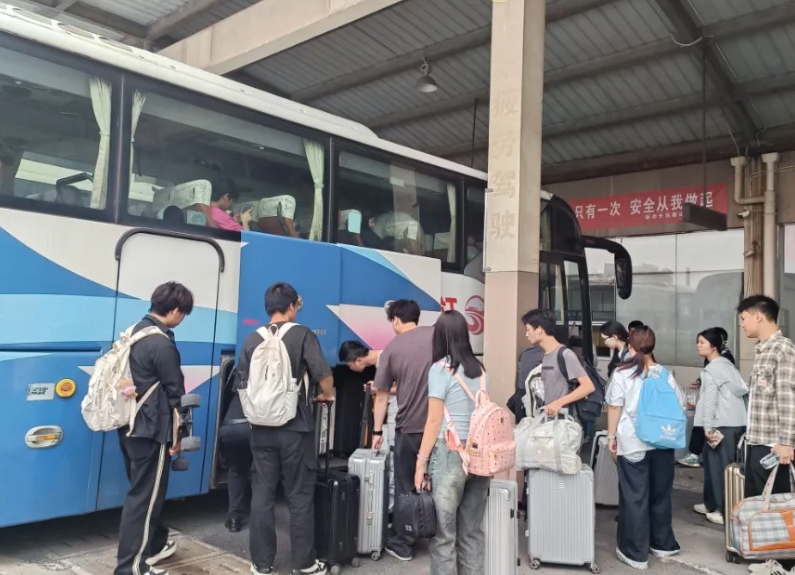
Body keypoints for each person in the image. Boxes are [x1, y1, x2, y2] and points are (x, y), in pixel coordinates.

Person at [240, 282, 334, 575]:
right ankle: (304, 563)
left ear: (268, 308)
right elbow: (323, 374)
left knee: (262, 495)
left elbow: (242, 383)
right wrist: (326, 395)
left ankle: (261, 563)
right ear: (292, 307)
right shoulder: (302, 334)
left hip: (260, 428)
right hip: (296, 428)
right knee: (299, 496)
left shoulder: (252, 339)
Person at [115, 282, 195, 575]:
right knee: (144, 500)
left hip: (128, 424)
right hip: (151, 430)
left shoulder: (133, 332)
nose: (182, 318)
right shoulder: (161, 343)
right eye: (183, 313)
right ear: (174, 310)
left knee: (142, 493)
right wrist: (179, 436)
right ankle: (131, 568)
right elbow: (176, 393)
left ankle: (157, 544)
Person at [414, 310, 490, 575]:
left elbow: (434, 421)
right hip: (480, 455)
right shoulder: (480, 370)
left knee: (444, 535)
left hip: (450, 454)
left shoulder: (440, 369)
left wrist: (421, 463)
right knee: (471, 532)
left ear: (440, 336)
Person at [606, 326, 683, 570]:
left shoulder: (622, 373)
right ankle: (662, 543)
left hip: (634, 443)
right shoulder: (664, 373)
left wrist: (611, 437)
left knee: (634, 497)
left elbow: (614, 407)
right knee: (660, 495)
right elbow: (680, 403)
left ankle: (635, 552)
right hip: (663, 443)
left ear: (630, 346)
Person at [371, 299, 434, 562]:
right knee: (438, 483)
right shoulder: (438, 337)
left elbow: (381, 396)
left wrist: (377, 432)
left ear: (396, 320)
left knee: (406, 485)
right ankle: (439, 538)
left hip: (410, 427)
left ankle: (403, 543)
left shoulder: (392, 349)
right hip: (442, 428)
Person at [737, 296, 795, 499]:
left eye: (744, 318)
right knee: (756, 505)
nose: (742, 324)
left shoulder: (783, 349)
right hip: (756, 443)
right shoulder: (763, 350)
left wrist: (786, 443)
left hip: (774, 448)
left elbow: (789, 399)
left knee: (775, 507)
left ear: (758, 316)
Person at [692, 327, 747, 525]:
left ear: (714, 346)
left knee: (719, 468)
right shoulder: (728, 365)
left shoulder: (713, 369)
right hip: (735, 422)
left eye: (702, 342)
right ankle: (711, 503)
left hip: (721, 424)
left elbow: (710, 400)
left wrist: (707, 427)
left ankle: (724, 511)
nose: (698, 346)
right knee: (715, 463)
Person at [339, 340, 397, 513]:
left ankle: (389, 511)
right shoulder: (385, 357)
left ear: (358, 361)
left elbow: (405, 387)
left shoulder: (386, 359)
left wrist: (378, 389)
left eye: (349, 365)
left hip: (399, 413)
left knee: (394, 461)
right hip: (395, 413)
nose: (350, 369)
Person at [521, 308, 595, 417]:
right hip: (549, 419)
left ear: (539, 329)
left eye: (528, 330)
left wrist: (558, 403)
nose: (526, 335)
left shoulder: (565, 354)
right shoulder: (545, 355)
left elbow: (588, 386)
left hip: (564, 421)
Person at [218, 375, 252, 533]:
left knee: (236, 470)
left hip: (230, 428)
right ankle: (259, 518)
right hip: (252, 429)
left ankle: (234, 520)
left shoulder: (239, 377)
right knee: (261, 473)